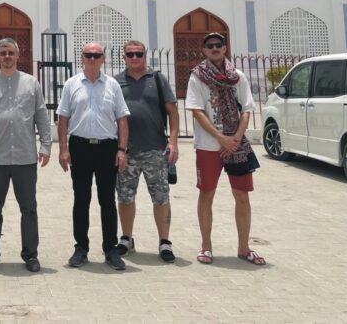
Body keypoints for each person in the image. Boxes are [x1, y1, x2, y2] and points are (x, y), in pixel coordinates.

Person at [0, 37, 52, 273]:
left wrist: (45, 146)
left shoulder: (31, 83)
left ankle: (30, 255)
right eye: (3, 53)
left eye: (10, 53)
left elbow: (41, 116)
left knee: (29, 208)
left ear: (18, 55)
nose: (7, 56)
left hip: (25, 157)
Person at [185, 32, 266, 266]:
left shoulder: (237, 76)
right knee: (207, 193)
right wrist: (221, 138)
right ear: (203, 50)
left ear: (225, 47)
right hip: (209, 146)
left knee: (242, 196)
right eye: (209, 46)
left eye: (218, 45)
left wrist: (236, 138)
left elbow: (247, 109)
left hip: (236, 147)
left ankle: (244, 248)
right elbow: (197, 111)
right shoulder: (197, 77)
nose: (214, 49)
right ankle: (206, 247)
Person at [57, 42, 130, 270]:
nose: (92, 59)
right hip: (80, 146)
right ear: (82, 57)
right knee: (81, 199)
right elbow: (63, 118)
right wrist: (63, 149)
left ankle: (110, 249)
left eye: (96, 55)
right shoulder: (71, 84)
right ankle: (81, 248)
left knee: (107, 200)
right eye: (88, 55)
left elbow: (122, 119)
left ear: (103, 59)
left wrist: (122, 149)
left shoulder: (112, 85)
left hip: (107, 148)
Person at [113, 39, 179, 263]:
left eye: (138, 54)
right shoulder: (116, 82)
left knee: (160, 197)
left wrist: (174, 142)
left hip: (155, 150)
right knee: (125, 196)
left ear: (145, 56)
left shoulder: (158, 79)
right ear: (123, 57)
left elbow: (173, 112)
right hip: (127, 151)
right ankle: (126, 238)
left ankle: (164, 242)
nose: (134, 58)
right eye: (130, 54)